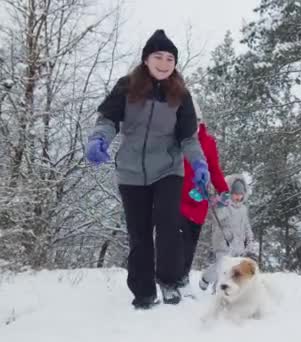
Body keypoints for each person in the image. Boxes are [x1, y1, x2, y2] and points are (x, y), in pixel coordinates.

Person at [86, 29, 210, 309]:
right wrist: (99, 138)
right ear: (146, 58)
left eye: (170, 58)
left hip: (168, 168)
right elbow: (107, 119)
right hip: (131, 170)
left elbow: (188, 138)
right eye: (158, 56)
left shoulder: (181, 95)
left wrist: (199, 164)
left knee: (168, 226)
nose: (165, 63)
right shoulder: (127, 86)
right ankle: (143, 292)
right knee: (139, 233)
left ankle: (169, 280)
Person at [176, 108, 229, 296]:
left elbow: (214, 169)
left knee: (190, 243)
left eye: (195, 119)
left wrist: (224, 190)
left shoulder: (208, 142)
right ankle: (171, 280)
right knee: (175, 240)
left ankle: (183, 279)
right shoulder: (176, 137)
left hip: (199, 201)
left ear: (200, 121)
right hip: (176, 198)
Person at [199, 174, 258, 292]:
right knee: (222, 267)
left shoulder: (243, 209)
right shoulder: (224, 206)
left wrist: (250, 240)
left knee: (231, 269)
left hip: (239, 246)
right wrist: (220, 205)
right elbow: (218, 218)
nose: (238, 197)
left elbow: (246, 226)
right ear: (230, 193)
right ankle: (216, 288)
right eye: (235, 194)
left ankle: (209, 280)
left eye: (240, 194)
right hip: (223, 243)